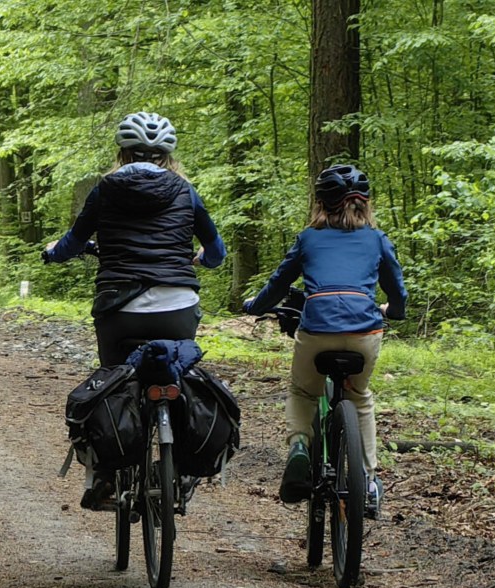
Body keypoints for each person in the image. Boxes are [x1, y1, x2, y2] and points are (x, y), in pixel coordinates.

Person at [44, 111, 227, 509]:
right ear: (168, 156)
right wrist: (203, 260)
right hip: (177, 304)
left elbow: (72, 243)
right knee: (179, 371)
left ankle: (107, 478)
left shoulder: (104, 190)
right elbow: (217, 252)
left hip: (118, 308)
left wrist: (53, 254)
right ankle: (183, 466)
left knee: (115, 379)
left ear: (122, 153)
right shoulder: (185, 191)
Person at [242, 164, 407, 518]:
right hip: (365, 332)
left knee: (303, 392)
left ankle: (300, 446)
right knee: (359, 397)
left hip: (317, 330)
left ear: (321, 203)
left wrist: (256, 306)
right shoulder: (377, 239)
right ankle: (368, 479)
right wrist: (394, 310)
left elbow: (278, 284)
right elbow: (397, 290)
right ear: (365, 203)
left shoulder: (309, 238)